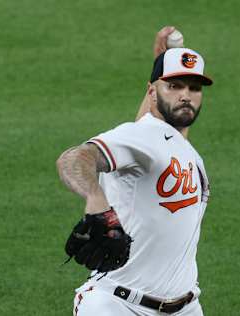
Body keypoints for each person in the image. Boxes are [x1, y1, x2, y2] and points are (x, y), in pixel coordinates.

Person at [56, 27, 213, 316]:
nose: (186, 96)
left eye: (193, 88)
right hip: (117, 306)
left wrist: (163, 65)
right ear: (152, 92)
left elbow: (163, 138)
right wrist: (95, 196)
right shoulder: (139, 136)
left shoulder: (178, 147)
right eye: (175, 86)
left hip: (186, 308)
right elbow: (74, 158)